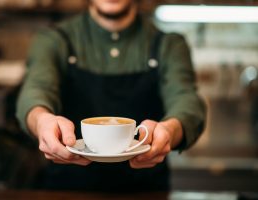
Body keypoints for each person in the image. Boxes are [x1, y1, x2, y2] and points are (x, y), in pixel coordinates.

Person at [16, 0, 206, 191]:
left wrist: (170, 130)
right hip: (68, 188)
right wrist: (42, 120)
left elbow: (186, 99)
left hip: (146, 190)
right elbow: (36, 89)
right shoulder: (53, 39)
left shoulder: (169, 44)